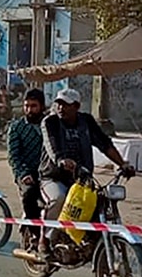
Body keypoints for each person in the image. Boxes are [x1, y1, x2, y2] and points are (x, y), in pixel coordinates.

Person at [37, 88, 134, 254]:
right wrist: (61, 160)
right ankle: (44, 239)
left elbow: (105, 144)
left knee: (99, 204)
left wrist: (123, 164)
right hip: (53, 177)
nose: (61, 108)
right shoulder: (50, 122)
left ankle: (87, 242)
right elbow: (52, 145)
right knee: (59, 198)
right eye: (58, 104)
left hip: (82, 179)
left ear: (76, 106)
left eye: (66, 105)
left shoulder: (86, 121)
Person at [7, 89, 47, 222]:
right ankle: (34, 233)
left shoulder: (50, 125)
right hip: (28, 173)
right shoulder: (16, 127)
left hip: (49, 173)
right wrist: (23, 173)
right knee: (29, 195)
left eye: (33, 106)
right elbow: (14, 156)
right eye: (27, 106)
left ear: (42, 106)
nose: (29, 110)